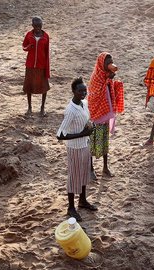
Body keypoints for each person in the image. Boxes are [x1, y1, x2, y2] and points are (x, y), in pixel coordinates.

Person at [57, 77, 98, 221]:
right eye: (80, 90)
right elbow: (60, 135)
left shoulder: (84, 104)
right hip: (74, 148)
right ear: (73, 91)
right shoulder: (70, 110)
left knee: (84, 174)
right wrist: (82, 133)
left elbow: (86, 120)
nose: (83, 93)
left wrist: (89, 127)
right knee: (74, 177)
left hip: (85, 144)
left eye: (85, 90)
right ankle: (71, 207)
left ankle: (82, 200)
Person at [87, 52, 125, 179]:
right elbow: (94, 95)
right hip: (97, 115)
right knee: (94, 141)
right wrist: (107, 79)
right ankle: (90, 169)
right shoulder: (96, 78)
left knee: (104, 141)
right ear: (101, 64)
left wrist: (111, 79)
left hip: (106, 113)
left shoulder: (106, 76)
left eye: (111, 61)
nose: (110, 64)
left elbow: (110, 91)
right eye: (107, 62)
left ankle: (105, 168)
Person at [22, 16, 50, 117]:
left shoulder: (46, 36)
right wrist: (28, 47)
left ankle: (42, 108)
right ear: (32, 25)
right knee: (29, 86)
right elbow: (24, 46)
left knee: (44, 86)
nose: (38, 28)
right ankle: (29, 108)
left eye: (40, 25)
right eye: (36, 26)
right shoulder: (29, 35)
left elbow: (47, 53)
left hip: (41, 65)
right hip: (30, 65)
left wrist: (47, 67)